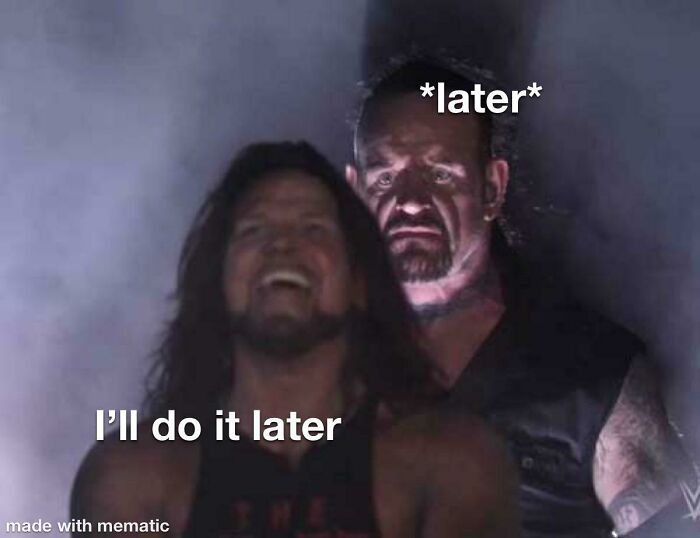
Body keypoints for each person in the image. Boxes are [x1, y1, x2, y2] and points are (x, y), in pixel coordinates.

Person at [70, 141, 517, 537]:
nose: (282, 245)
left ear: (359, 281)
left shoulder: (454, 462)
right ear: (218, 282)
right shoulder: (132, 476)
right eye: (254, 230)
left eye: (313, 229)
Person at [348, 59, 691, 537]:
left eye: (439, 174)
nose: (409, 200)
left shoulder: (593, 374)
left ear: (492, 187)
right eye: (385, 178)